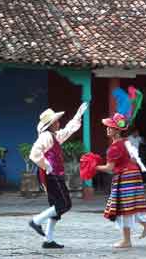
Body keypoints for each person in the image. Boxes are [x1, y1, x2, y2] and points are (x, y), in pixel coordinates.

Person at [29, 102, 88, 249]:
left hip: (54, 174)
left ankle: (48, 240)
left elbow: (67, 130)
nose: (58, 123)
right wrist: (46, 164)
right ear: (50, 124)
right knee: (64, 204)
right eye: (56, 121)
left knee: (56, 207)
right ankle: (36, 221)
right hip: (51, 174)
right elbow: (34, 154)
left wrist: (78, 116)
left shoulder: (53, 136)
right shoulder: (46, 136)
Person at [96, 113, 146, 249]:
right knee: (130, 205)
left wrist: (94, 167)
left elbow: (109, 168)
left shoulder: (114, 148)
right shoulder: (125, 143)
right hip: (133, 173)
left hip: (125, 177)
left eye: (111, 127)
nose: (108, 129)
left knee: (123, 208)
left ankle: (127, 240)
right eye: (108, 127)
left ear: (117, 131)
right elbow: (133, 159)